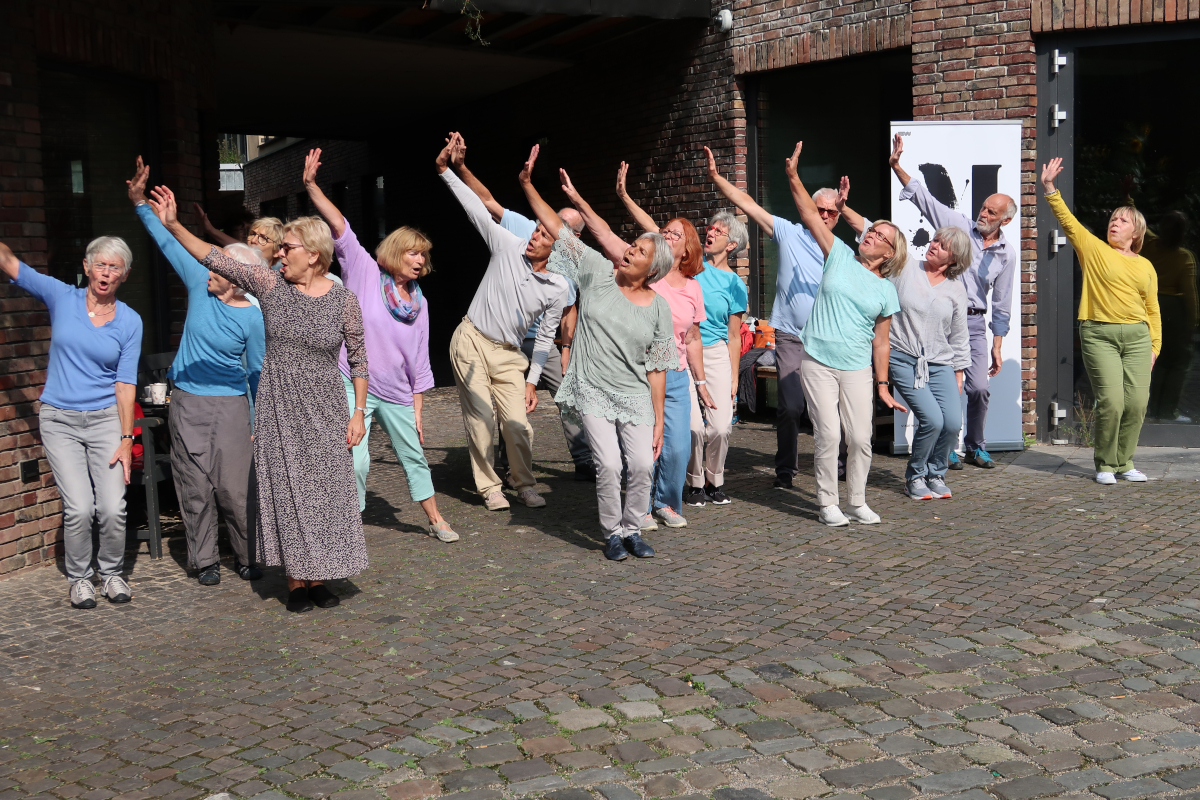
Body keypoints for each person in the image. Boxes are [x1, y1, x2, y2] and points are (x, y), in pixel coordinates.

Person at [148, 185, 371, 614]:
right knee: (288, 493)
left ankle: (321, 576)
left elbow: (360, 360)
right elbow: (214, 258)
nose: (280, 254)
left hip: (327, 407)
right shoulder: (270, 287)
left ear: (314, 253)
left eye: (287, 247)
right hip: (279, 408)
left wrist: (358, 412)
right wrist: (174, 224)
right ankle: (296, 583)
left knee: (325, 493)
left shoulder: (344, 300)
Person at [518, 152, 675, 561]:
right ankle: (611, 533)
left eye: (638, 252)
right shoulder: (596, 273)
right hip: (591, 388)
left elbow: (657, 368)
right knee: (608, 466)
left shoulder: (658, 306)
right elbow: (559, 229)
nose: (627, 252)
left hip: (636, 395)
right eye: (632, 246)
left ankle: (632, 528)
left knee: (641, 465)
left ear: (651, 269)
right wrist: (528, 186)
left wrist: (658, 420)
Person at [300, 148, 458, 542]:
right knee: (354, 458)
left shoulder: (419, 302)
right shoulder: (365, 272)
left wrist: (418, 410)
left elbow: (419, 360)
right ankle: (349, 521)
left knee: (415, 458)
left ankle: (436, 518)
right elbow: (340, 227)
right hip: (354, 383)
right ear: (394, 252)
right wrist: (311, 186)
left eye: (424, 255)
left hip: (398, 392)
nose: (419, 260)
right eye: (412, 252)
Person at [128, 157, 266, 585]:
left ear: (236, 278)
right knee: (194, 485)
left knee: (236, 488)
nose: (209, 268)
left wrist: (256, 421)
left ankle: (247, 555)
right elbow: (169, 244)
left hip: (231, 406)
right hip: (187, 400)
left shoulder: (253, 317)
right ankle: (204, 561)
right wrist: (142, 206)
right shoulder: (200, 283)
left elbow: (257, 372)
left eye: (218, 265)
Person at [703, 146, 863, 489]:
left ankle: (837, 466)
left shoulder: (844, 253)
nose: (823, 216)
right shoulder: (790, 233)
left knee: (833, 412)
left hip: (830, 340)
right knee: (791, 406)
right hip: (792, 335)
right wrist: (717, 179)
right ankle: (785, 470)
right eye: (818, 209)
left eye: (831, 213)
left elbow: (878, 243)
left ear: (838, 217)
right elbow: (747, 205)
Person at [445, 133, 595, 481]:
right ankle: (501, 462)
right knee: (504, 400)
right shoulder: (528, 231)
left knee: (567, 393)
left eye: (566, 227)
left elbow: (569, 309)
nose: (553, 228)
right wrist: (461, 167)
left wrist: (567, 349)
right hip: (505, 338)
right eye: (554, 220)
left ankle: (583, 458)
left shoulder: (571, 265)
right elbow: (487, 201)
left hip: (544, 341)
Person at [1, 238, 142, 609]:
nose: (106, 273)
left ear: (125, 275)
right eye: (101, 265)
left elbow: (125, 384)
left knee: (112, 506)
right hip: (59, 420)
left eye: (115, 268)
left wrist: (127, 438)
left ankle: (110, 573)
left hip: (104, 421)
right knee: (79, 506)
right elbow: (10, 262)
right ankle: (80, 578)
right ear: (87, 266)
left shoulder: (129, 321)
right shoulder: (62, 296)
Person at [784, 142, 907, 526]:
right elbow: (809, 213)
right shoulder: (837, 253)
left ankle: (856, 500)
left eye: (879, 235)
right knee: (829, 435)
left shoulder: (887, 290)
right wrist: (792, 176)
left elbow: (881, 341)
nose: (870, 234)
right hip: (818, 359)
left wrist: (883, 384)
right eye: (871, 230)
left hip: (856, 367)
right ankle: (828, 503)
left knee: (861, 439)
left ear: (889, 253)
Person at [588, 161, 714, 530]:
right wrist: (624, 195)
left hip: (674, 374)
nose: (666, 234)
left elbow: (692, 337)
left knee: (677, 445)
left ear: (688, 245)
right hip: (638, 372)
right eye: (665, 231)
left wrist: (702, 383)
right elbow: (639, 231)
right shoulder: (650, 274)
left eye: (675, 233)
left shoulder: (693, 288)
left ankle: (666, 502)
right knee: (643, 449)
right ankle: (639, 509)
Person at [617, 162, 746, 507]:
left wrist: (734, 376)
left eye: (720, 231)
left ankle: (714, 479)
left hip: (712, 350)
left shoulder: (733, 283)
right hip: (673, 354)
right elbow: (654, 231)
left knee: (720, 427)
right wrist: (625, 197)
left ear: (732, 245)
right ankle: (692, 483)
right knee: (690, 427)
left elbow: (733, 335)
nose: (711, 232)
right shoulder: (676, 268)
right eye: (710, 228)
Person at [889, 134, 1018, 470]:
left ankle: (975, 446)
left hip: (972, 324)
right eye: (983, 206)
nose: (983, 212)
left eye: (991, 211)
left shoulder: (1007, 254)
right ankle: (944, 448)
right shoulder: (959, 225)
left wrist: (998, 345)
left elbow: (1002, 303)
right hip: (935, 319)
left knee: (977, 388)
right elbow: (925, 199)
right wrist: (897, 167)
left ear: (1005, 220)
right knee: (936, 388)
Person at [843, 192, 972, 499]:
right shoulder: (905, 268)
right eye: (935, 240)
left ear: (953, 258)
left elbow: (959, 334)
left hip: (940, 363)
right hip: (903, 357)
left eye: (942, 245)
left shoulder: (956, 289)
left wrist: (959, 372)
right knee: (932, 419)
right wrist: (842, 207)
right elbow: (867, 228)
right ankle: (915, 477)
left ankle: (936, 473)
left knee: (952, 423)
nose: (933, 245)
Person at [1041, 158, 1161, 485]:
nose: (1114, 223)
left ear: (1136, 231)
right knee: (1112, 401)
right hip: (1099, 334)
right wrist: (1050, 187)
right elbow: (1068, 221)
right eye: (1112, 219)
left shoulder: (1146, 266)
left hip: (1138, 337)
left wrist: (1155, 346)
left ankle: (1126, 462)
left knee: (1137, 403)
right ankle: (1106, 464)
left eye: (1122, 221)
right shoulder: (1093, 249)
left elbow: (1153, 309)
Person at [196, 204, 344, 286]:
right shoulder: (238, 270)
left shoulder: (283, 275)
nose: (253, 240)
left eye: (263, 238)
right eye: (252, 234)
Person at [1142, 211, 1197, 423]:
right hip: (1173, 310)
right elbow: (1190, 294)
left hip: (1151, 304)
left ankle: (1153, 409)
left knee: (1159, 359)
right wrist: (1192, 324)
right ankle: (1167, 411)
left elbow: (1142, 224)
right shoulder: (1183, 257)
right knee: (1178, 363)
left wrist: (1127, 197)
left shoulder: (1151, 245)